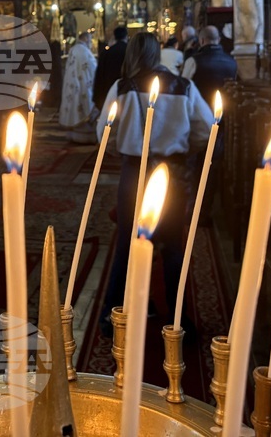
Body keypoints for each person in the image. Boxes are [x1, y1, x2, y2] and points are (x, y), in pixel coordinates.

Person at [96, 32, 214, 335]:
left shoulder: (122, 87)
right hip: (172, 172)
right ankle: (178, 319)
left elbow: (104, 131)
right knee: (172, 245)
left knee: (127, 242)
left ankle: (112, 313)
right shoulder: (184, 86)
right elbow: (205, 128)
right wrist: (181, 151)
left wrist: (125, 150)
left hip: (134, 171)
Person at [181, 25, 238, 106]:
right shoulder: (232, 61)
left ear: (201, 40)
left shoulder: (193, 61)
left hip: (201, 109)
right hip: (226, 108)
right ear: (219, 39)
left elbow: (183, 86)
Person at [59, 31, 98, 141]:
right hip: (82, 84)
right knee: (82, 104)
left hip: (73, 83)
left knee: (74, 105)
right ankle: (83, 135)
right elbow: (92, 67)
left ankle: (74, 132)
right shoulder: (84, 51)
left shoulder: (74, 49)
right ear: (85, 39)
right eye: (90, 39)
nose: (91, 42)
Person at [93, 26, 127, 110]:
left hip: (108, 90)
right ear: (126, 36)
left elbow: (99, 75)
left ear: (114, 36)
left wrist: (96, 97)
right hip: (125, 91)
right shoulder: (130, 51)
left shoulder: (106, 53)